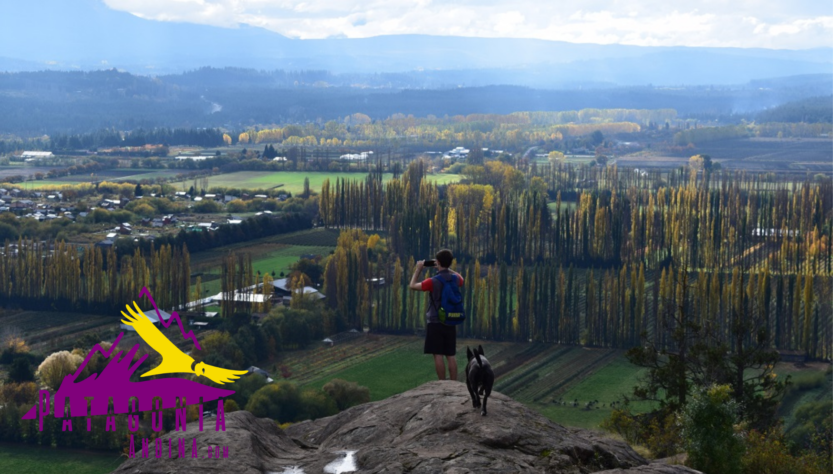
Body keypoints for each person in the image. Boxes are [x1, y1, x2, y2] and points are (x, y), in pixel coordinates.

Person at [409, 249, 463, 381]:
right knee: (450, 354)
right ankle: (454, 384)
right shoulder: (455, 279)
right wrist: (447, 268)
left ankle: (442, 384)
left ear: (437, 262)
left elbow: (412, 286)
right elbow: (461, 278)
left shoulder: (432, 281)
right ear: (450, 263)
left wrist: (418, 269)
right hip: (450, 320)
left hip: (435, 321)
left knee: (438, 354)